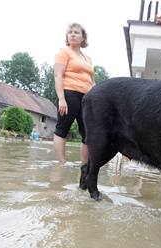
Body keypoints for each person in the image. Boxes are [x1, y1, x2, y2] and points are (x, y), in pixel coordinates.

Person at [53, 23, 94, 177]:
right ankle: (61, 164)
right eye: (70, 32)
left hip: (87, 98)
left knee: (87, 134)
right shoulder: (63, 52)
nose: (72, 34)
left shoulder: (87, 58)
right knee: (62, 129)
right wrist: (61, 98)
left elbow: (92, 80)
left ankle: (84, 168)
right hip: (69, 94)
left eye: (76, 32)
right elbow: (58, 75)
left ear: (83, 37)